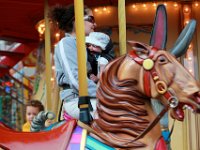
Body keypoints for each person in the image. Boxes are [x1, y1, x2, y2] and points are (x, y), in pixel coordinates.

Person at [49, 4, 97, 119]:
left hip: (87, 97)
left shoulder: (81, 46)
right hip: (77, 100)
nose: (94, 24)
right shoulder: (66, 43)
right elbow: (76, 79)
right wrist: (103, 93)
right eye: (91, 19)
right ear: (77, 21)